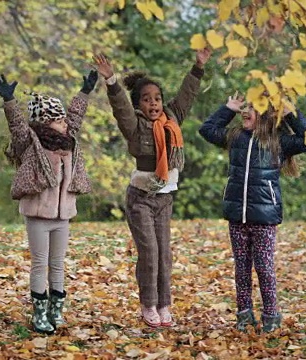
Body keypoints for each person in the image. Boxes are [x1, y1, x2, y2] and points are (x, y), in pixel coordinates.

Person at [93, 49, 211, 327]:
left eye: (157, 98)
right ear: (139, 105)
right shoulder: (134, 126)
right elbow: (121, 107)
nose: (154, 104)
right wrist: (111, 81)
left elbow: (186, 95)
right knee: (149, 253)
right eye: (146, 100)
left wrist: (198, 67)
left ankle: (164, 304)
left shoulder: (172, 119)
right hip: (141, 199)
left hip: (164, 199)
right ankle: (148, 304)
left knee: (164, 254)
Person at [0, 70, 97, 334]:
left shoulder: (69, 142)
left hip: (63, 216)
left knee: (58, 264)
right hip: (38, 216)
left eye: (63, 118)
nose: (65, 122)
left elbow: (75, 116)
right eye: (58, 119)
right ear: (46, 123)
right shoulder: (31, 144)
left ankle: (55, 311)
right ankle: (39, 315)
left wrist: (84, 92)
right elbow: (18, 127)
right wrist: (10, 102)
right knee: (40, 263)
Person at [198, 93, 306, 333]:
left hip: (263, 217)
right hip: (237, 216)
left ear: (264, 115)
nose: (245, 111)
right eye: (244, 107)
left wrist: (290, 113)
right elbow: (207, 129)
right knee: (241, 268)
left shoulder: (277, 141)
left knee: (263, 267)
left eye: (251, 108)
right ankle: (244, 315)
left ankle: (271, 315)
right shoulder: (234, 137)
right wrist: (228, 108)